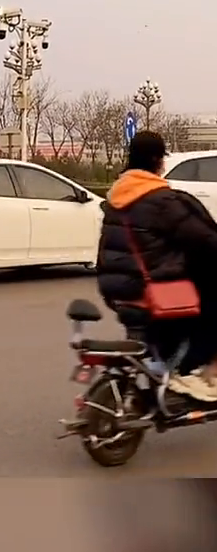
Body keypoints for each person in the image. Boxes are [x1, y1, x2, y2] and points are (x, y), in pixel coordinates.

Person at [97, 130, 217, 402]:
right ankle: (196, 376)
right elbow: (206, 241)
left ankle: (165, 372)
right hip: (152, 290)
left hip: (116, 289)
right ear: (157, 160)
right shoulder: (162, 201)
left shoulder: (116, 198)